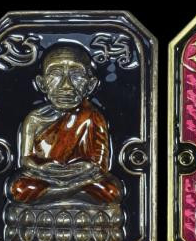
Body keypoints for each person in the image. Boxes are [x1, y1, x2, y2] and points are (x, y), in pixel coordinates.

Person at [9, 44, 122, 205]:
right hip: (47, 177)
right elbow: (26, 160)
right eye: (55, 74)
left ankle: (57, 195)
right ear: (42, 83)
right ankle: (69, 193)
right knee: (20, 188)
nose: (66, 85)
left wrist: (83, 169)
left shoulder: (92, 116)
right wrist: (41, 168)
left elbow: (100, 165)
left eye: (76, 75)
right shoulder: (35, 119)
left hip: (82, 177)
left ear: (90, 85)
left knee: (111, 190)